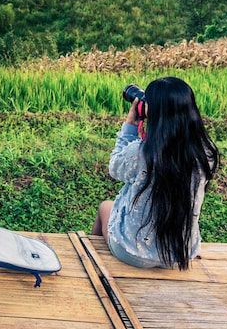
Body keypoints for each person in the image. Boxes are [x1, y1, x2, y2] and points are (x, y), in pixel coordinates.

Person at [91, 77, 220, 270]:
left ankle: (92, 262)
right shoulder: (206, 153)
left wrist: (130, 126)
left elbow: (115, 167)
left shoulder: (142, 151)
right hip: (179, 254)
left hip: (132, 252)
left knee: (105, 208)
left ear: (151, 111)